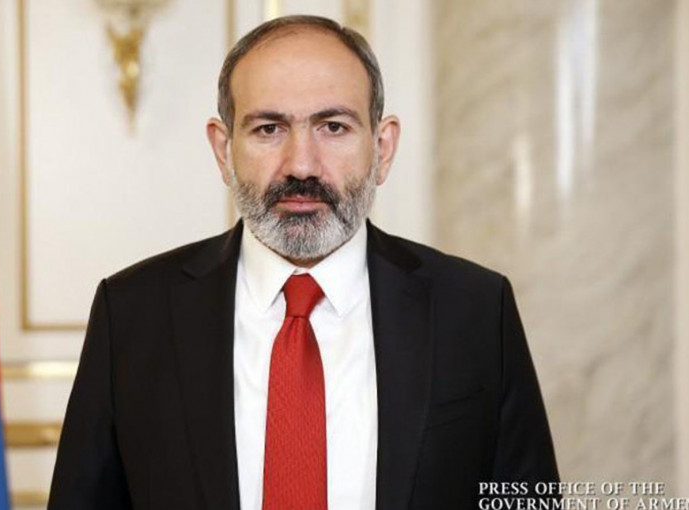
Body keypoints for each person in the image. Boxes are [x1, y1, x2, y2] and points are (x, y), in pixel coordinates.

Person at [48, 15, 559, 510]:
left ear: (382, 148)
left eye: (333, 127)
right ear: (223, 150)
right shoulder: (132, 313)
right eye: (269, 128)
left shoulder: (474, 309)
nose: (301, 165)